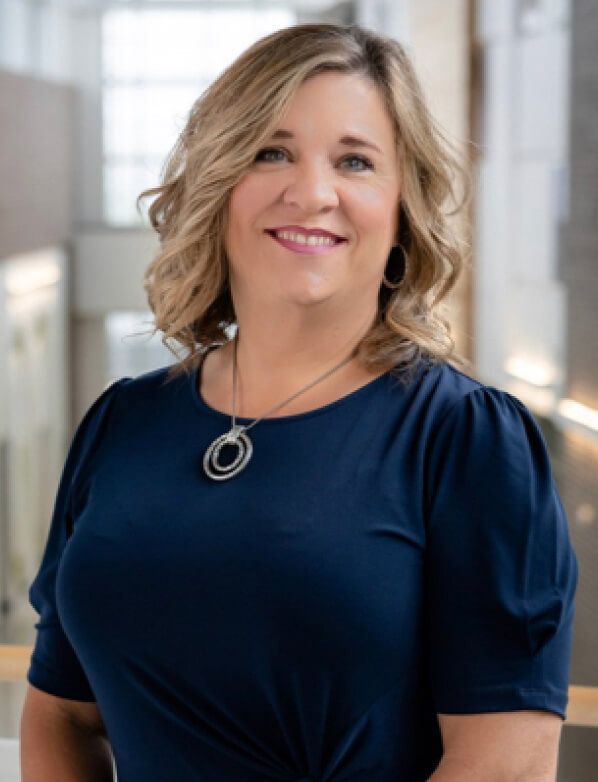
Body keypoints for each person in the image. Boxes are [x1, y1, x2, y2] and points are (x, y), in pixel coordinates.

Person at [21, 22, 578, 782]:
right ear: (219, 185)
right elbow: (60, 713)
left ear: (400, 207)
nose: (312, 193)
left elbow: (506, 763)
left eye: (356, 161)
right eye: (271, 152)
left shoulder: (465, 439)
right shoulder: (124, 422)